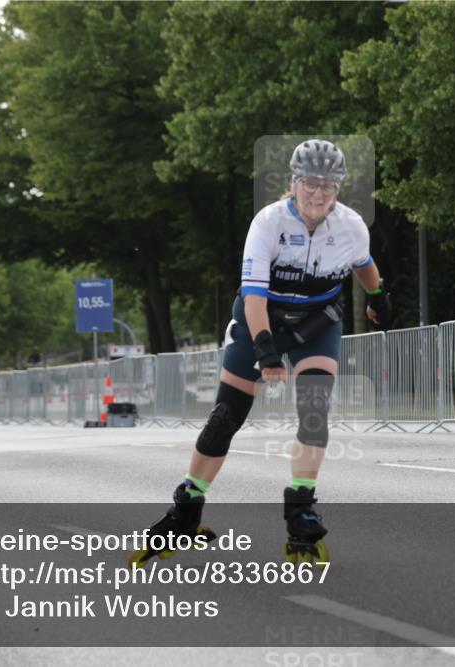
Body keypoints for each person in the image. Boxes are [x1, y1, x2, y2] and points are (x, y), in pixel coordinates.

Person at [132, 139, 392, 564]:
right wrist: (266, 351)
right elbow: (254, 297)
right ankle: (186, 510)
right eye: (311, 184)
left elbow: (364, 263)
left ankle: (301, 509)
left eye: (329, 186)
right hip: (262, 321)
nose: (319, 195)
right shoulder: (268, 223)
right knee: (225, 418)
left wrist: (377, 296)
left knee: (314, 409)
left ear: (339, 189)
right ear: (294, 183)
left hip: (316, 324)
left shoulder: (351, 225)